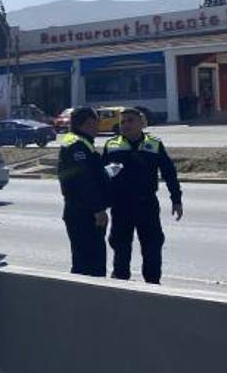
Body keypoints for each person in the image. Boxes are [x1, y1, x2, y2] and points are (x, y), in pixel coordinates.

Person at [102, 108, 183, 284]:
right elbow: (101, 177)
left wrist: (176, 199)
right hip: (121, 205)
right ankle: (120, 284)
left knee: (152, 246)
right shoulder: (112, 145)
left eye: (130, 121)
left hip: (146, 204)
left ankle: (153, 285)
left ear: (141, 123)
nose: (126, 125)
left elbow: (169, 172)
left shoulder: (154, 144)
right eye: (123, 122)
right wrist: (101, 204)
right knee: (120, 246)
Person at [56, 106, 110, 276]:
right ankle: (88, 301)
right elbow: (83, 181)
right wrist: (98, 209)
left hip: (81, 210)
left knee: (87, 260)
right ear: (87, 123)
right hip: (83, 212)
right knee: (89, 263)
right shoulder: (77, 146)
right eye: (96, 123)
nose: (98, 127)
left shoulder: (81, 143)